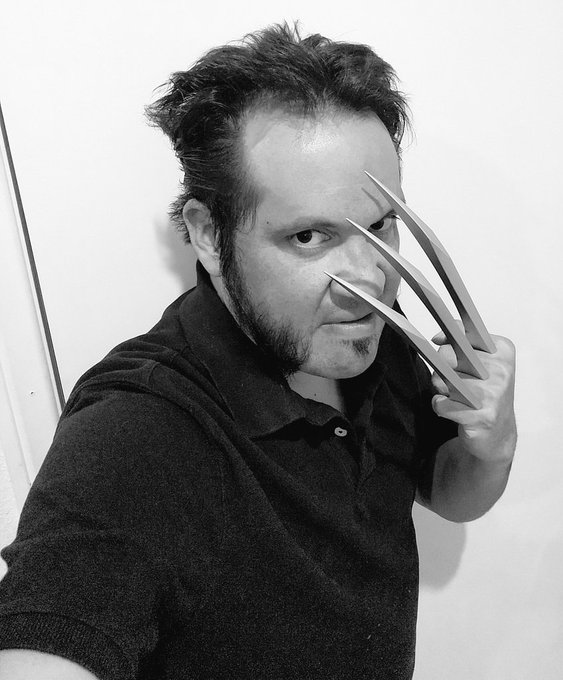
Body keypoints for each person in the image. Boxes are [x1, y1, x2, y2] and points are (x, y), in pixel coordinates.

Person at [0, 23, 516, 680]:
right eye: (308, 237)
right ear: (208, 235)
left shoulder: (373, 336)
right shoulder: (140, 433)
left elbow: (447, 493)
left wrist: (488, 445)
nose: (368, 279)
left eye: (380, 226)